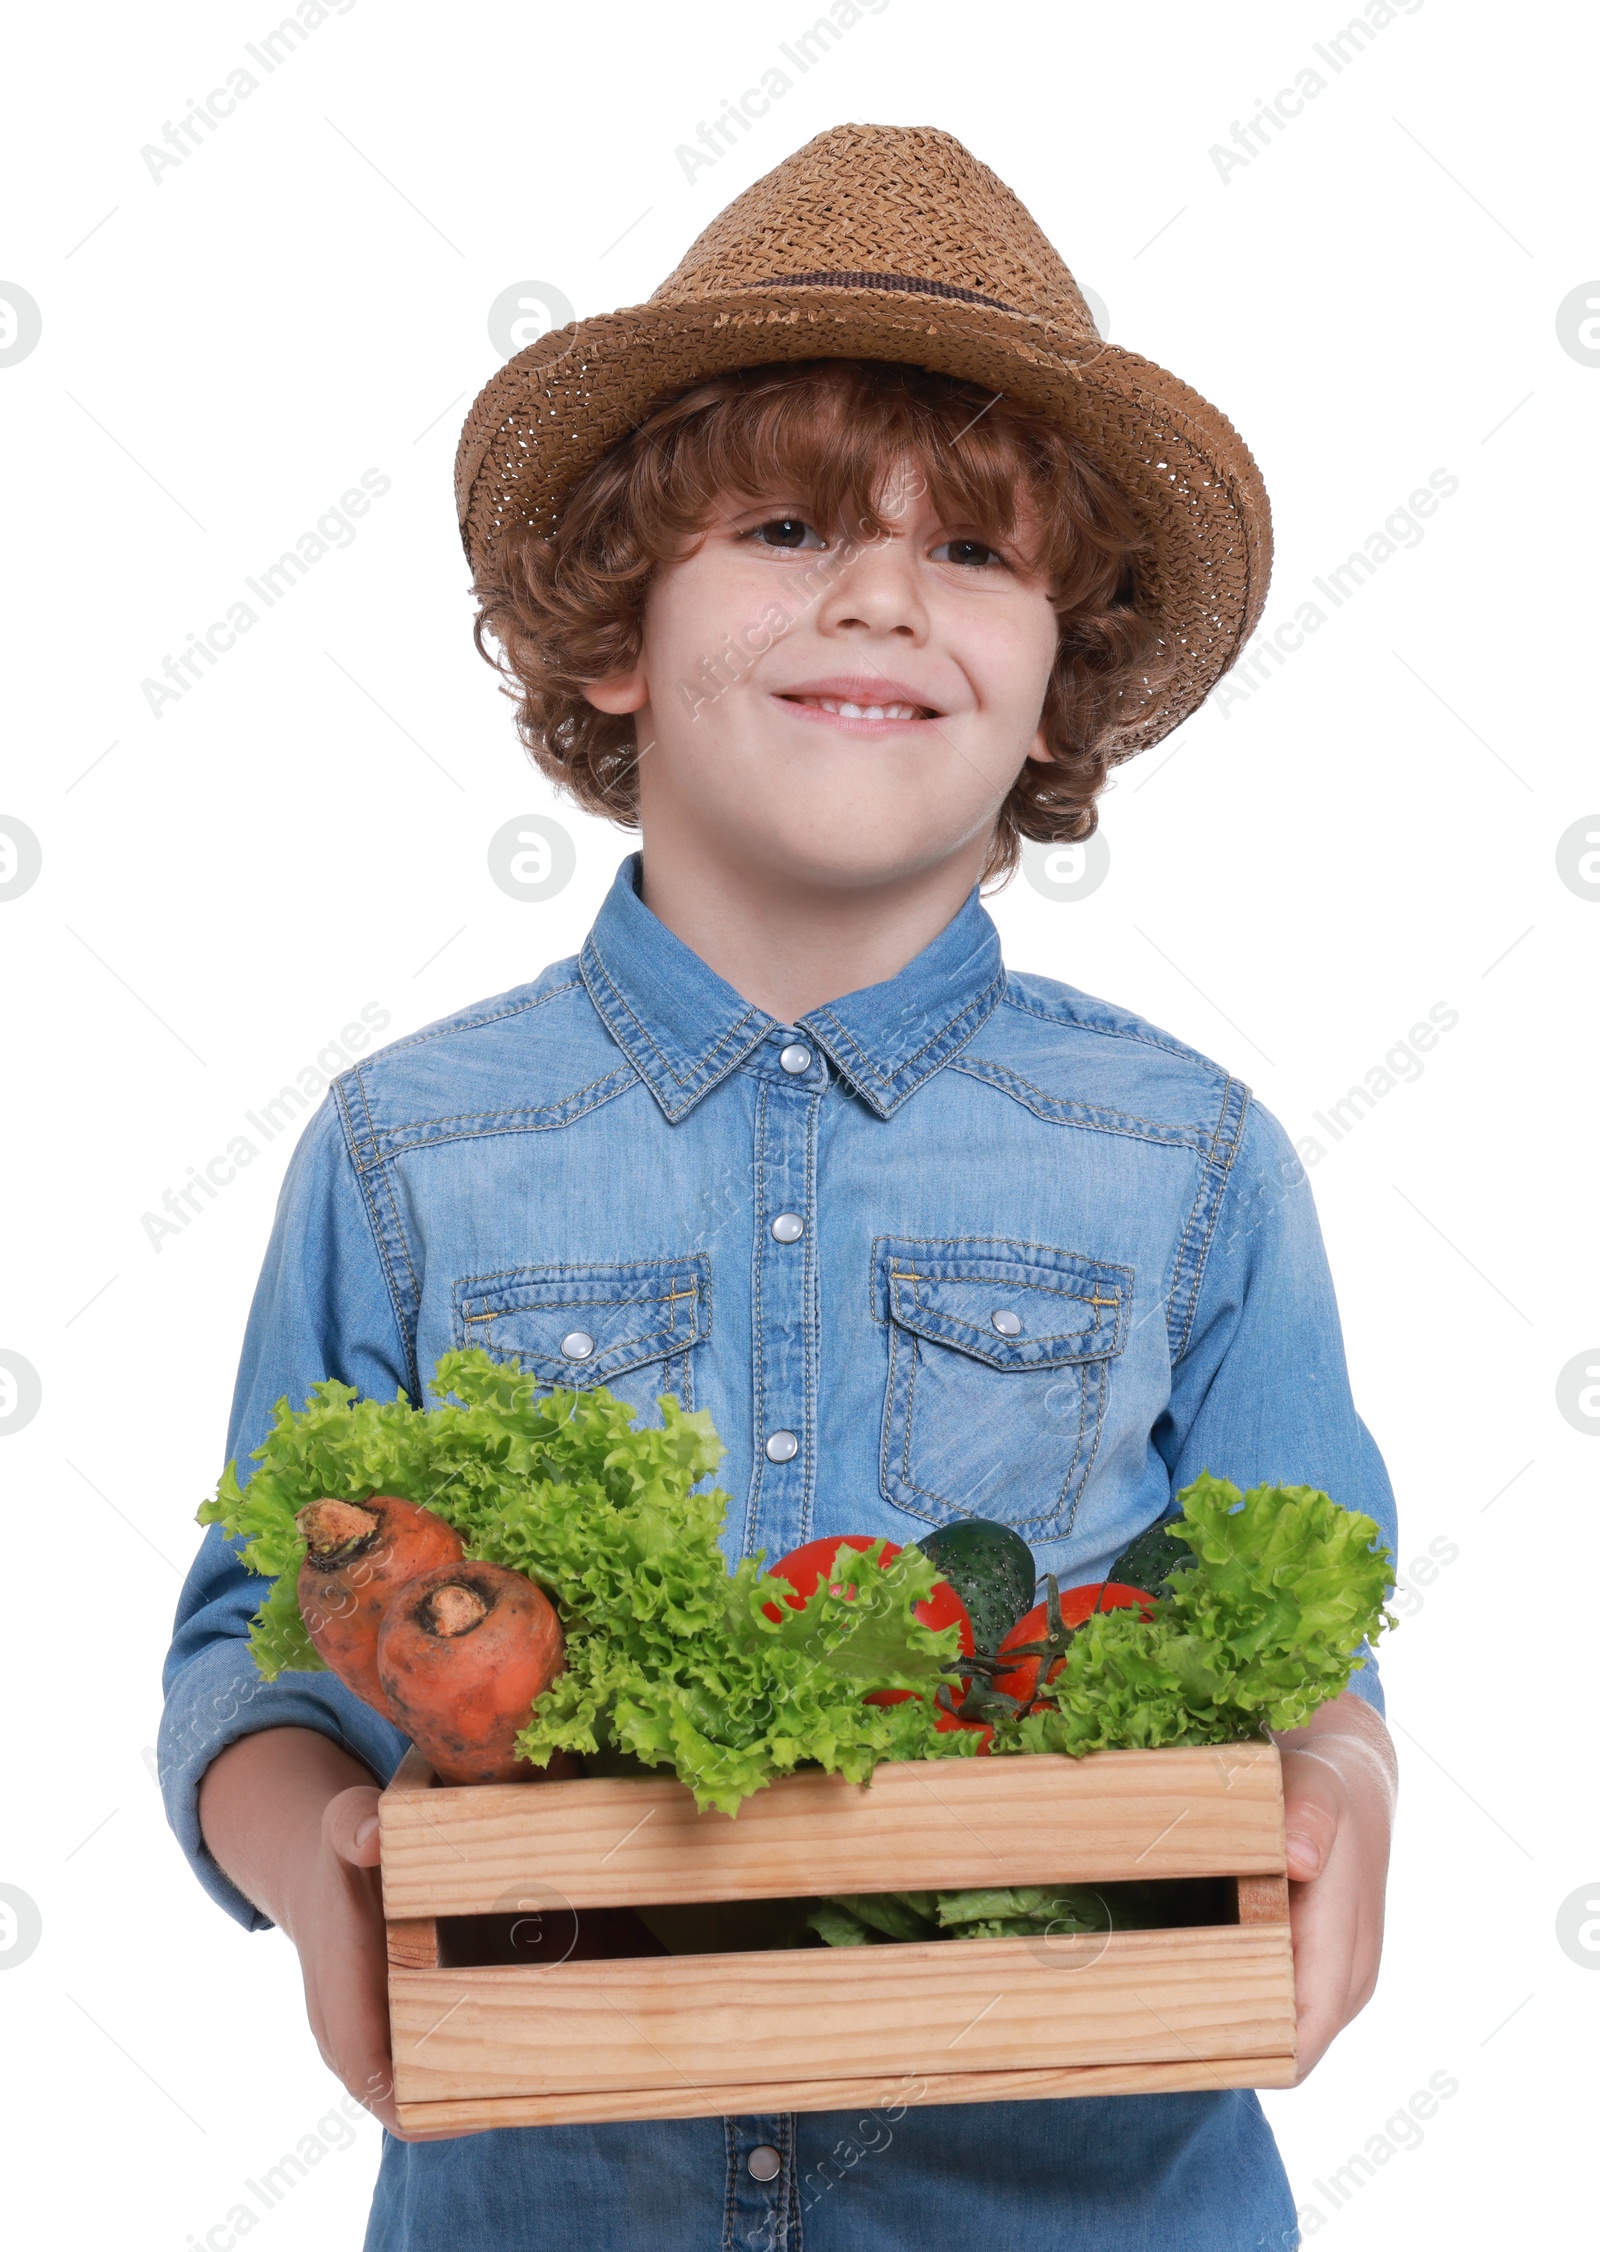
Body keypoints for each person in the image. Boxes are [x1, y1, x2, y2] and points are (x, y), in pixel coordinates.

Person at [161, 123, 1398, 2252]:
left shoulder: (1185, 1156)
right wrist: (313, 1867)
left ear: (1043, 699)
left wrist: (1344, 1790)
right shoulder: (406, 1151)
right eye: (787, 522)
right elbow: (250, 1657)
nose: (880, 594)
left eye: (977, 556)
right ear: (616, 641)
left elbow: (1306, 1637)